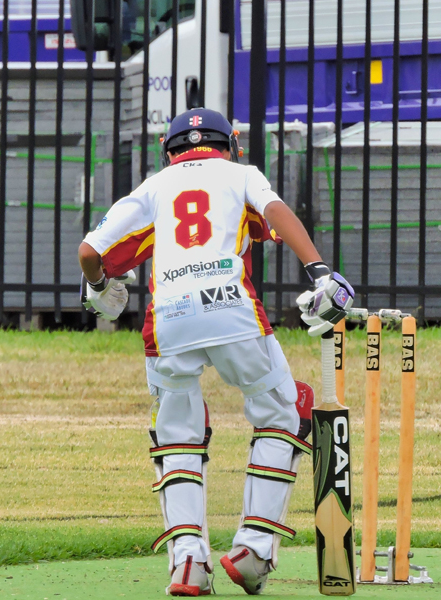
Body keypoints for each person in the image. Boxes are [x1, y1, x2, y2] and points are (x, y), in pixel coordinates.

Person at [78, 108, 355, 596]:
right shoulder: (241, 174)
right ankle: (253, 550)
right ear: (232, 145)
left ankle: (187, 563)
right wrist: (319, 272)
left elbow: (89, 252)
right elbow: (277, 213)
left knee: (176, 434)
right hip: (231, 310)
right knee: (284, 412)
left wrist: (100, 287)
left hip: (169, 322)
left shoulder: (153, 187)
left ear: (168, 151)